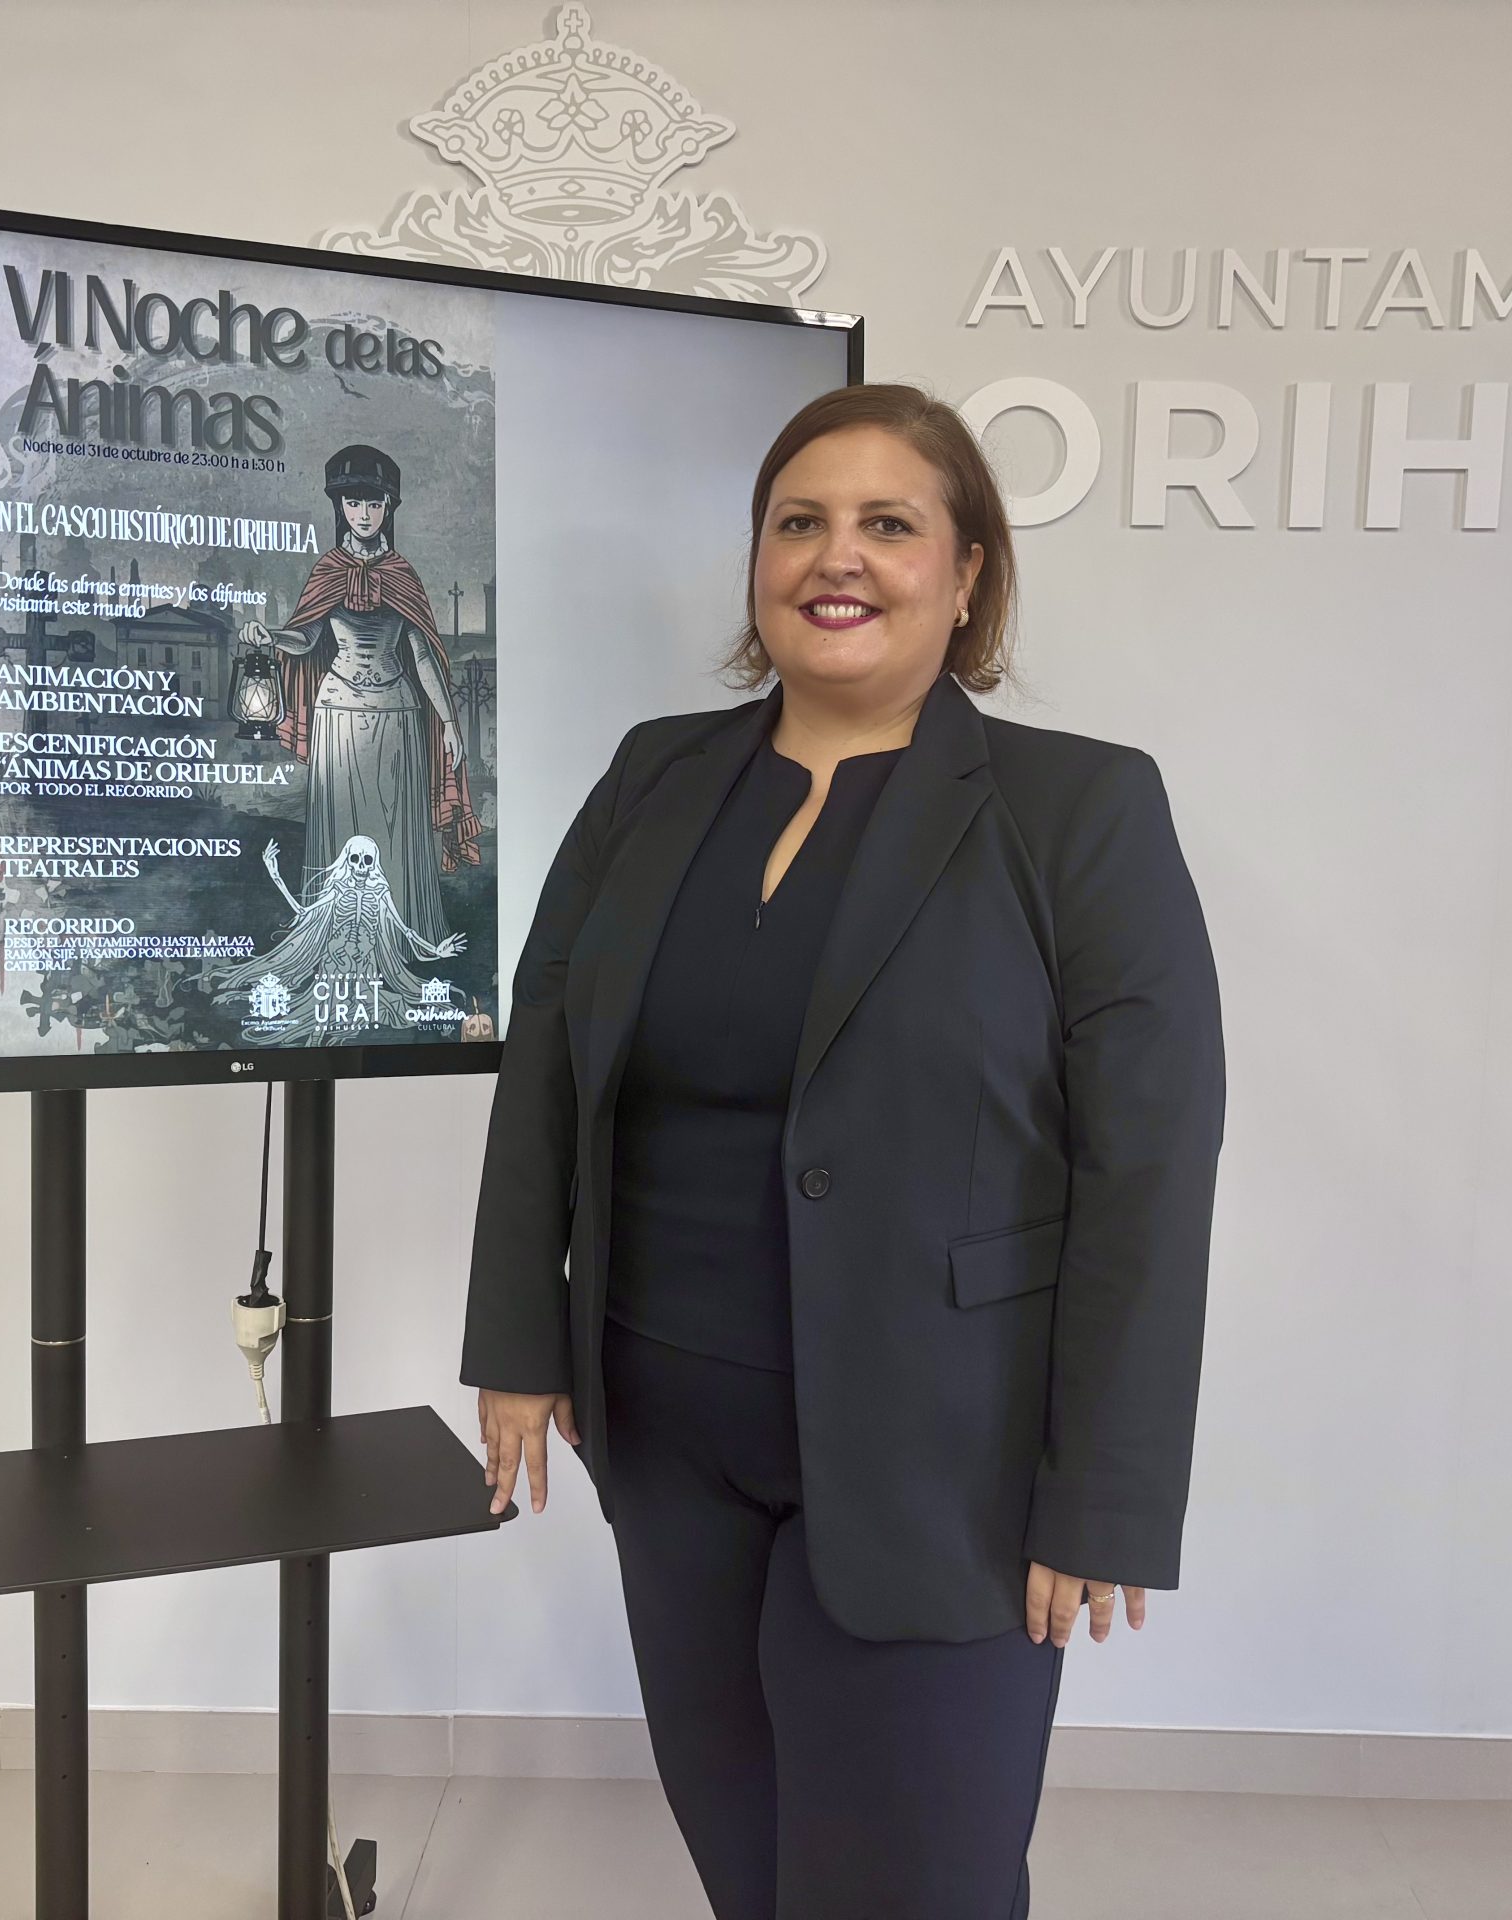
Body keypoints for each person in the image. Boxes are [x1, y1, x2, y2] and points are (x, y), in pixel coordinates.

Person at [458, 383, 1226, 1919]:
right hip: (667, 1441)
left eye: (890, 523)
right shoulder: (652, 779)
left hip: (947, 1464)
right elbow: (546, 1058)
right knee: (749, 1865)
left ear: (969, 570)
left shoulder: (1078, 808)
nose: (838, 555)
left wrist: (1107, 1495)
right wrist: (519, 1340)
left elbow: (1149, 1171)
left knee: (915, 1884)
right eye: (799, 521)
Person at [243, 443, 479, 946]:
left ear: (388, 506)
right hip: (337, 713)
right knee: (341, 822)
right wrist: (270, 635)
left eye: (374, 503)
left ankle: (397, 938)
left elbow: (423, 655)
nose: (364, 514)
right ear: (340, 507)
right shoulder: (327, 569)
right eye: (353, 503)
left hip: (398, 713)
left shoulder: (402, 574)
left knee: (394, 828)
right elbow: (305, 638)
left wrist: (448, 724)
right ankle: (336, 939)